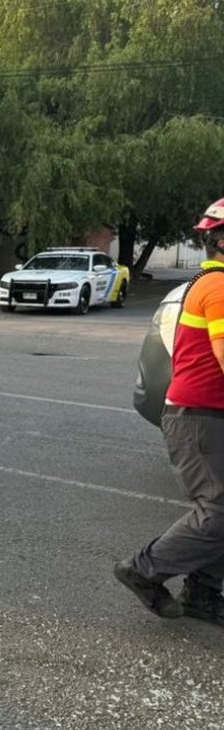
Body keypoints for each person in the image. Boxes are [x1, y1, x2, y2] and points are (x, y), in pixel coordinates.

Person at [115, 197, 224, 625]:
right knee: (217, 510)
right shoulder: (217, 287)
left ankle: (203, 592)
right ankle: (142, 570)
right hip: (197, 417)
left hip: (210, 414)